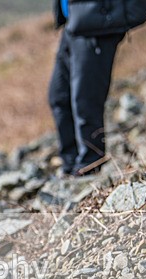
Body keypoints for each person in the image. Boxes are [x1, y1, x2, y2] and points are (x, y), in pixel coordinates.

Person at [48, 0, 127, 176]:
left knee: (86, 99)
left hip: (96, 24)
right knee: (59, 97)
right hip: (73, 22)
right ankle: (70, 164)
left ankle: (90, 165)